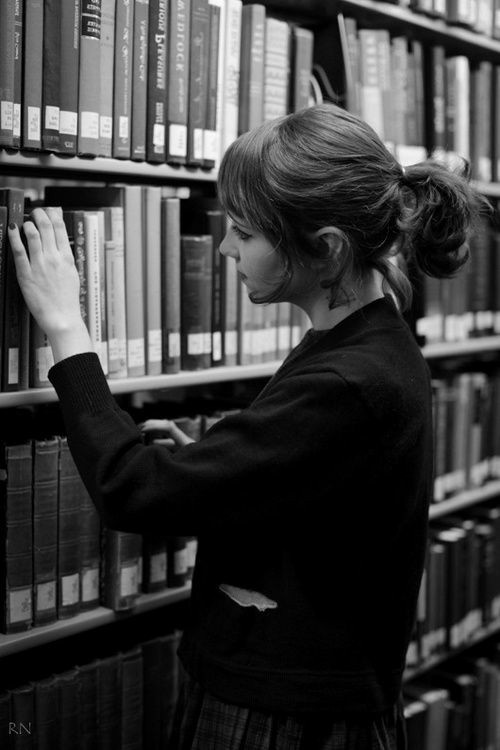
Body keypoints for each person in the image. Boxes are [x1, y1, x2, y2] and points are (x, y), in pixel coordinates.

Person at [8, 103, 484, 750]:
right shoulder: (367, 339)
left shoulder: (353, 381)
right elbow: (316, 495)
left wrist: (67, 326)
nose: (226, 248)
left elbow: (131, 490)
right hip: (291, 689)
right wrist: (224, 470)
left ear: (327, 249)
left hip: (286, 716)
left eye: (244, 232)